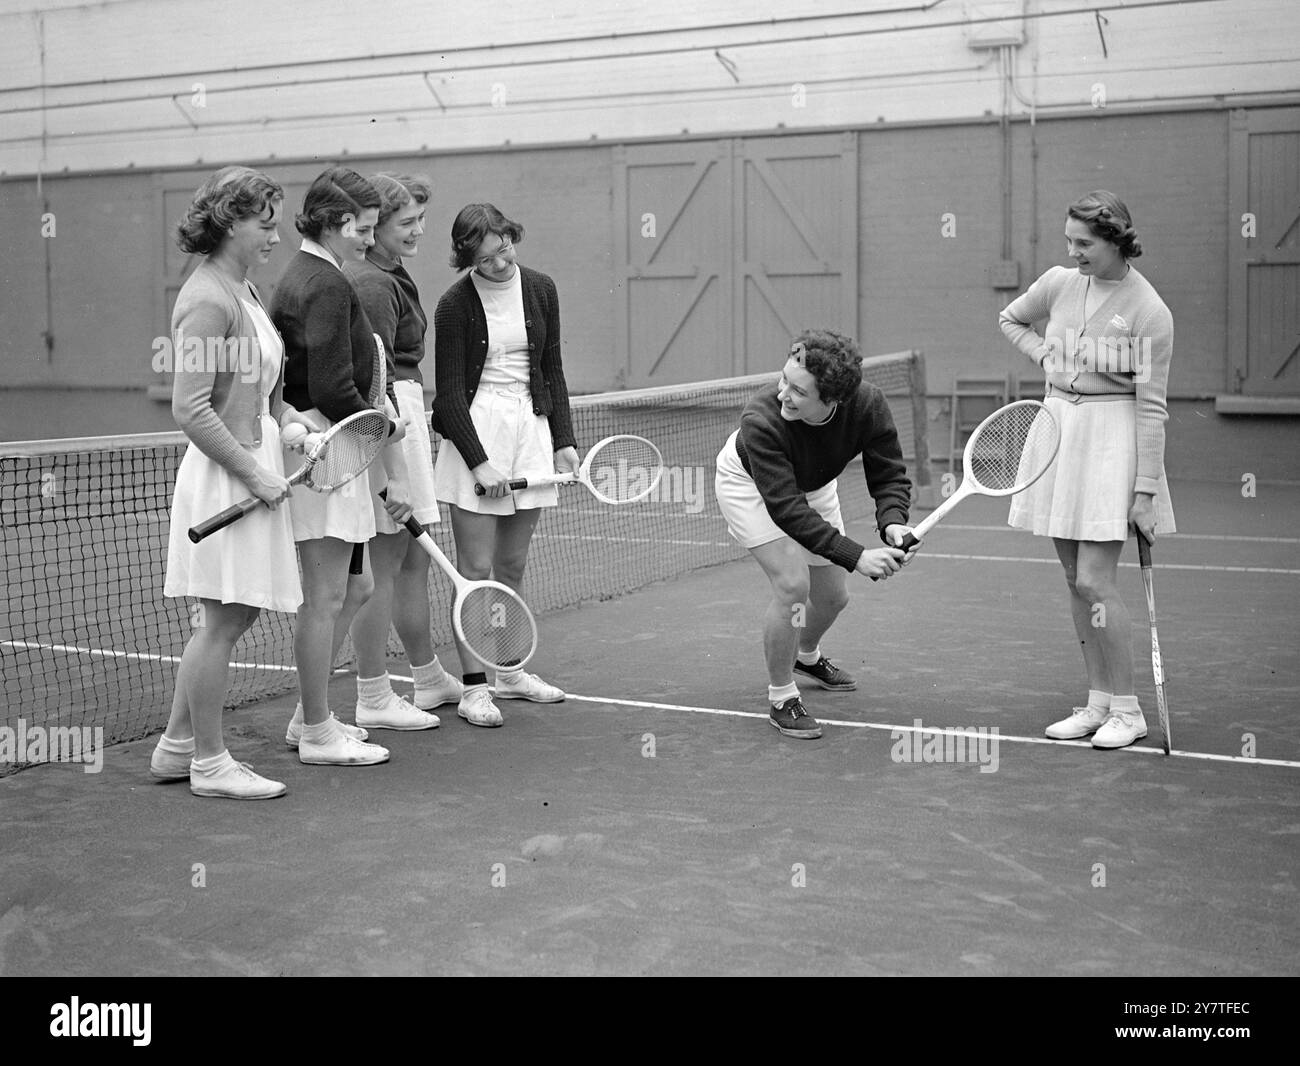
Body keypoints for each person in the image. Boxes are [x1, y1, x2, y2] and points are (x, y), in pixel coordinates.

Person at [999, 189, 1176, 750]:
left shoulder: (1149, 311)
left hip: (1112, 440)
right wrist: (1044, 355)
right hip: (1057, 431)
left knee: (1096, 581)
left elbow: (1151, 405)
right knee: (1076, 583)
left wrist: (1145, 489)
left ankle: (1129, 710)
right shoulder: (1057, 283)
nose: (1073, 252)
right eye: (1069, 241)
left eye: (1085, 243)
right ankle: (1098, 702)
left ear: (1116, 241)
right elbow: (1011, 319)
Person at [151, 165, 306, 798]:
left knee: (230, 617)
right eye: (264, 225)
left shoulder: (242, 290)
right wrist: (254, 472)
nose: (275, 236)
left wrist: (286, 421)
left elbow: (253, 386)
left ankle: (175, 747)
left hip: (254, 462)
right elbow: (190, 408)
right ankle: (210, 764)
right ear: (229, 224)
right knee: (221, 621)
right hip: (227, 477)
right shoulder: (207, 298)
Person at [714, 329, 915, 740]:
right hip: (750, 485)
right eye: (783, 379)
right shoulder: (762, 420)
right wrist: (857, 556)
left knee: (832, 598)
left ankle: (805, 655)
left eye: (798, 391)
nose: (783, 393)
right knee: (792, 585)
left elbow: (888, 471)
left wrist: (893, 520)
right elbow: (787, 509)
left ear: (832, 400)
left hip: (816, 484)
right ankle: (782, 696)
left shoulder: (868, 405)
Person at [271, 165, 407, 766]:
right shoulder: (323, 282)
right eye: (363, 228)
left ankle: (309, 717)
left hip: (332, 448)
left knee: (358, 585)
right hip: (324, 451)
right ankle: (319, 732)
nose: (369, 239)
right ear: (332, 221)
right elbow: (330, 384)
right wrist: (381, 425)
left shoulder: (311, 273)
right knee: (326, 596)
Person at [431, 203, 579, 726]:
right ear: (468, 257)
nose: (500, 263)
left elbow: (552, 368)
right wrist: (479, 463)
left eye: (506, 249)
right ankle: (474, 688)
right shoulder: (454, 306)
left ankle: (510, 673)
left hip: (530, 431)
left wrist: (563, 440)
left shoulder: (541, 288)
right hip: (477, 430)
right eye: (487, 257)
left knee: (512, 567)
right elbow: (447, 395)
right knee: (474, 572)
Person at [342, 174, 464, 724]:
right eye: (406, 222)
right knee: (384, 565)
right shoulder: (369, 282)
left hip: (406, 412)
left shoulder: (390, 271)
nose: (419, 231)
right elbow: (373, 378)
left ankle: (428, 677)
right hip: (387, 420)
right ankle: (372, 697)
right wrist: (389, 463)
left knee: (413, 557)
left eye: (421, 220)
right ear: (373, 229)